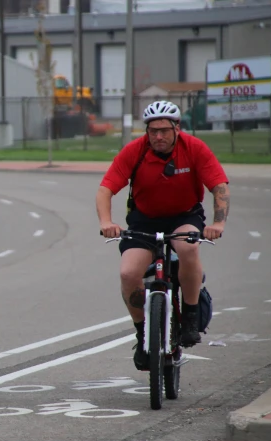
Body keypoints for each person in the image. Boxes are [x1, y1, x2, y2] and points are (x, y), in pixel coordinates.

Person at [96, 100, 230, 371]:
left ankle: (190, 316)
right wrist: (106, 221)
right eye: (152, 130)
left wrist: (218, 224)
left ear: (176, 128)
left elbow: (219, 187)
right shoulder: (135, 151)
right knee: (128, 273)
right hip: (143, 220)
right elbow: (105, 189)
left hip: (184, 217)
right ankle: (143, 333)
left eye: (164, 130)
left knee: (188, 249)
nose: (158, 136)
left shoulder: (193, 148)